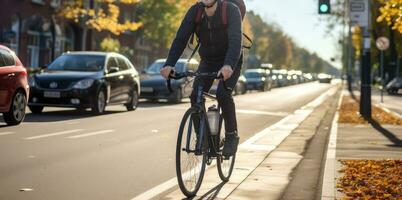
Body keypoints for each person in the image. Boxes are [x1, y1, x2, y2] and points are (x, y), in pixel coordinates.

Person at [160, 0, 243, 156]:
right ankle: (203, 138)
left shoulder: (230, 10)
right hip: (208, 61)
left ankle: (232, 135)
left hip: (231, 60)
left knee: (223, 94)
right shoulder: (195, 12)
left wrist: (228, 65)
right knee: (195, 95)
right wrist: (169, 64)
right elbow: (180, 39)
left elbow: (235, 41)